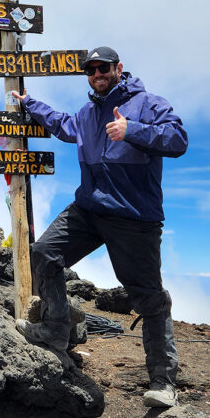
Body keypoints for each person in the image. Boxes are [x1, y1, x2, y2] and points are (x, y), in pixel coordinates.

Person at [11, 46, 188, 408]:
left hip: (133, 217)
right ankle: (55, 331)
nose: (97, 74)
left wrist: (133, 129)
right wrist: (31, 103)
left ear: (118, 68)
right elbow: (62, 125)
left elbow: (178, 140)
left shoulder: (149, 103)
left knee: (149, 298)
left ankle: (163, 381)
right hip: (89, 208)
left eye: (103, 67)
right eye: (91, 70)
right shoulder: (87, 113)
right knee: (44, 253)